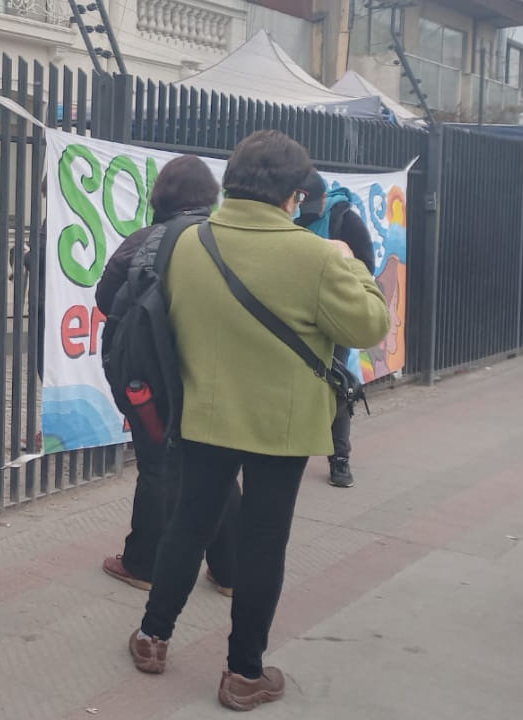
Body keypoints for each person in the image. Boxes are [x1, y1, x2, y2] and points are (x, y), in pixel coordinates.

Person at [126, 131, 390, 712]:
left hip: (203, 414)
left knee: (188, 526)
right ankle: (244, 673)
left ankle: (152, 637)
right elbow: (370, 326)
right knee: (264, 543)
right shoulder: (318, 257)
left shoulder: (189, 243)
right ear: (294, 195)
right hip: (283, 425)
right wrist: (353, 265)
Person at [95, 155, 238, 598]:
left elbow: (105, 298)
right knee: (217, 465)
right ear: (210, 195)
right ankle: (231, 571)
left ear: (161, 196)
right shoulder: (229, 240)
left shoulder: (145, 240)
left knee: (158, 466)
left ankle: (144, 564)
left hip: (152, 378)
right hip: (217, 372)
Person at [294, 172, 375, 488]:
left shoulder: (344, 219)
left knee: (336, 386)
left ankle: (340, 459)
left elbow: (365, 265)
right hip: (297, 316)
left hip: (333, 317)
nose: (303, 211)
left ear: (323, 198)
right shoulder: (288, 217)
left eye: (308, 204)